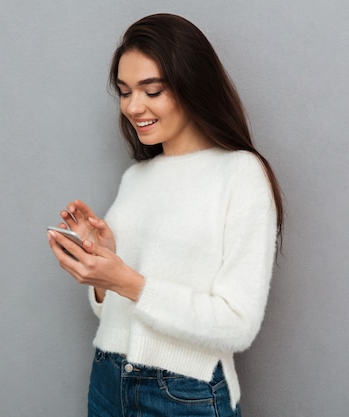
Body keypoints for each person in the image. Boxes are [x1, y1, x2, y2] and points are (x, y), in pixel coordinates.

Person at [47, 13, 284, 417]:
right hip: (107, 378)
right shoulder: (135, 178)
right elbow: (114, 308)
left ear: (193, 85)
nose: (133, 107)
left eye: (151, 90)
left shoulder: (240, 173)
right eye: (124, 92)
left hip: (182, 392)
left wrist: (128, 280)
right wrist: (104, 265)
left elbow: (237, 324)